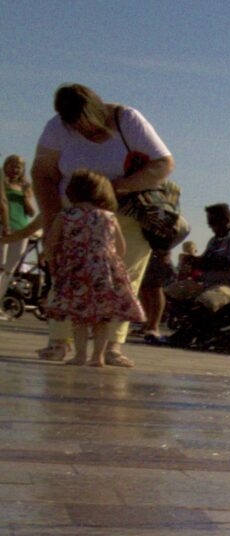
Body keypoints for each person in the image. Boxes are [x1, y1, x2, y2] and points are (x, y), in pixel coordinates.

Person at [31, 85, 176, 368]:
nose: (84, 133)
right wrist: (50, 221)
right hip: (72, 212)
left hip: (126, 211)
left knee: (124, 280)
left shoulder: (127, 119)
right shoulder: (57, 127)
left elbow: (163, 164)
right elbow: (42, 173)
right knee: (67, 275)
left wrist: (115, 188)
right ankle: (59, 342)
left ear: (97, 110)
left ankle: (112, 347)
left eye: (89, 126)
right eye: (76, 127)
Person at [41, 172, 143, 367]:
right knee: (102, 317)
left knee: (79, 317)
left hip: (76, 270)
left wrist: (53, 262)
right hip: (103, 271)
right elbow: (121, 247)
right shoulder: (109, 217)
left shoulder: (66, 215)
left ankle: (80, 356)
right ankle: (98, 357)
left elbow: (51, 243)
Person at [161, 203, 230, 350]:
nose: (211, 228)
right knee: (171, 291)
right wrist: (192, 262)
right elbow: (206, 260)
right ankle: (196, 330)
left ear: (226, 221)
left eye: (214, 223)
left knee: (207, 299)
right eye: (210, 224)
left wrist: (198, 261)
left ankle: (186, 335)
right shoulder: (215, 240)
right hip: (210, 284)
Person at [0, 157, 36, 302]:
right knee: (0, 265)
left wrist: (26, 197)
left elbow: (31, 212)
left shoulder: (25, 186)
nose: (15, 170)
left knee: (10, 268)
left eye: (18, 167)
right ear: (5, 166)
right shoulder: (2, 183)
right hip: (3, 226)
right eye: (12, 166)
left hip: (21, 228)